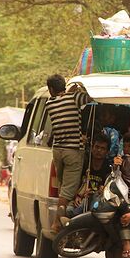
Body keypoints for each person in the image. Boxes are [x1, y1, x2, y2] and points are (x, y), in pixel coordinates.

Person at [45, 74, 91, 232]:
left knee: (64, 186)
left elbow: (64, 96)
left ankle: (64, 215)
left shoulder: (49, 103)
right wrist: (77, 89)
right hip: (73, 151)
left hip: (58, 150)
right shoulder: (74, 99)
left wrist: (71, 91)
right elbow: (90, 97)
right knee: (67, 190)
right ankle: (57, 222)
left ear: (51, 89)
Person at [66, 133, 112, 218]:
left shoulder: (108, 168)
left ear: (107, 152)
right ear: (92, 148)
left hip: (96, 200)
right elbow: (74, 183)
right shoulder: (83, 163)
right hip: (81, 197)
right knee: (68, 210)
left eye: (102, 148)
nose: (99, 150)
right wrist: (78, 195)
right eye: (97, 147)